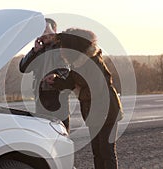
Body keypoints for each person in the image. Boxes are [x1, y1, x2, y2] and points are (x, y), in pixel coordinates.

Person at [44, 28, 123, 169]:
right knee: (97, 151)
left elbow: (98, 89)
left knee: (106, 152)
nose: (61, 50)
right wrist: (56, 80)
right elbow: (70, 82)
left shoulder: (93, 63)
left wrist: (77, 90)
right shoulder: (77, 63)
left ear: (73, 47)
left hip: (107, 112)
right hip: (93, 113)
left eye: (63, 46)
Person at [19, 18, 71, 131]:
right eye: (41, 31)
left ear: (54, 30)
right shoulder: (39, 50)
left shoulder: (62, 47)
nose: (44, 34)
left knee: (60, 132)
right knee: (44, 133)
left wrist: (56, 76)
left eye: (46, 30)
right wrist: (34, 51)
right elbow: (23, 68)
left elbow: (67, 69)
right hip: (40, 97)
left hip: (58, 96)